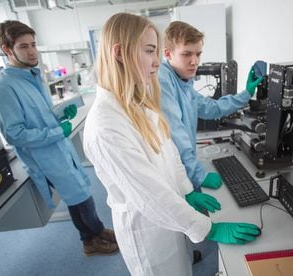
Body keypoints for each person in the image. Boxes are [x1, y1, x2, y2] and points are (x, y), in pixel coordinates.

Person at [83, 12, 261, 276]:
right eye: (150, 51)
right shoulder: (106, 125)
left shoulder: (137, 101)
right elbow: (150, 196)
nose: (156, 62)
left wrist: (187, 189)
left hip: (172, 214)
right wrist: (209, 229)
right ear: (119, 53)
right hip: (149, 231)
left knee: (183, 266)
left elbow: (170, 151)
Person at [0, 20, 118, 256]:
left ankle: (91, 237)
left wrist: (58, 115)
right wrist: (59, 131)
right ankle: (94, 235)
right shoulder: (2, 88)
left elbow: (38, 117)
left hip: (59, 148)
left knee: (77, 195)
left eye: (33, 44)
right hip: (45, 155)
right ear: (7, 50)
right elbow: (15, 134)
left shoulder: (32, 77)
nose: (32, 51)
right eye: (24, 46)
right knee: (82, 197)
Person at [158, 21, 263, 191]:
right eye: (186, 54)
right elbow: (176, 135)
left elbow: (210, 108)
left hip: (185, 170)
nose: (195, 61)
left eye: (198, 54)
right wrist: (199, 175)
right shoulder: (162, 79)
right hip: (174, 176)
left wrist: (247, 93)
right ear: (168, 54)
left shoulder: (183, 82)